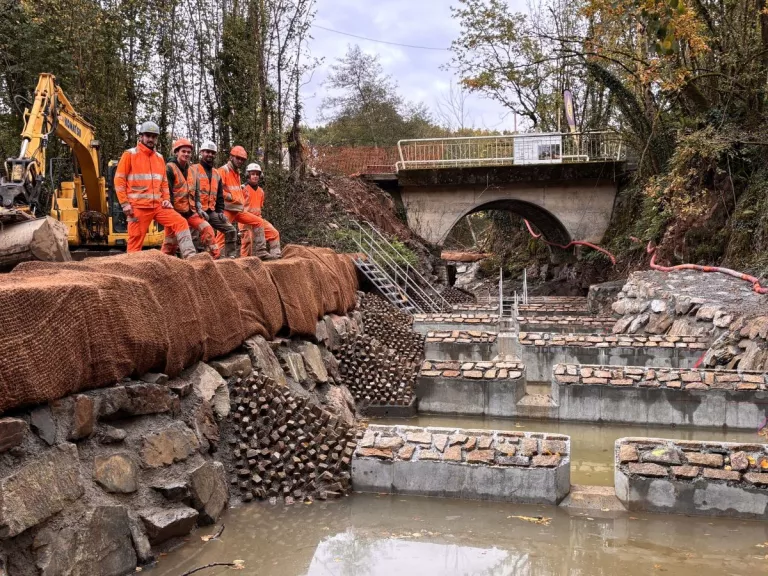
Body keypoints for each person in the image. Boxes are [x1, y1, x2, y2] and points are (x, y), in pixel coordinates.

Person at [114, 121, 196, 257]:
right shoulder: (130, 154)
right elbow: (119, 180)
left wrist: (166, 200)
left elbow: (163, 183)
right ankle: (132, 271)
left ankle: (191, 256)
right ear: (141, 137)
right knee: (135, 242)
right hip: (138, 208)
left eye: (153, 136)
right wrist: (124, 203)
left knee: (180, 222)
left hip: (158, 206)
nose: (151, 139)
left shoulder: (159, 158)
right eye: (148, 135)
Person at [163, 138, 219, 258]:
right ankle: (166, 264)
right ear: (176, 152)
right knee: (169, 244)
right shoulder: (169, 168)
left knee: (207, 228)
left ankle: (215, 259)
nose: (186, 154)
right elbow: (167, 191)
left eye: (188, 152)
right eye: (183, 151)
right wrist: (171, 213)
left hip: (190, 212)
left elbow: (197, 192)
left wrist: (199, 209)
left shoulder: (193, 171)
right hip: (175, 212)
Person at [191, 140, 238, 258]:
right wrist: (195, 209)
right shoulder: (193, 169)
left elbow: (220, 196)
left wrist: (220, 212)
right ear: (201, 152)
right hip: (196, 211)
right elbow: (189, 192)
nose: (210, 155)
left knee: (231, 230)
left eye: (212, 153)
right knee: (197, 236)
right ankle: (198, 259)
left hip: (211, 212)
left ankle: (230, 258)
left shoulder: (216, 174)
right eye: (207, 152)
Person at [216, 146, 266, 257]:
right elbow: (216, 190)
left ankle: (261, 252)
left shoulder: (236, 173)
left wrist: (238, 200)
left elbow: (236, 190)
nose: (240, 161)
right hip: (227, 209)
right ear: (231, 157)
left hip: (238, 209)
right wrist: (229, 196)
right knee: (221, 236)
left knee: (258, 221)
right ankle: (218, 259)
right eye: (238, 158)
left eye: (242, 159)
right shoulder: (223, 170)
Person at [242, 162, 281, 259]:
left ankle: (275, 257)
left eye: (257, 174)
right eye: (253, 174)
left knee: (274, 233)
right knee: (247, 242)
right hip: (245, 221)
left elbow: (260, 206)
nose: (255, 176)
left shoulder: (261, 191)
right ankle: (243, 263)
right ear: (248, 175)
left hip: (258, 219)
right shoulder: (242, 189)